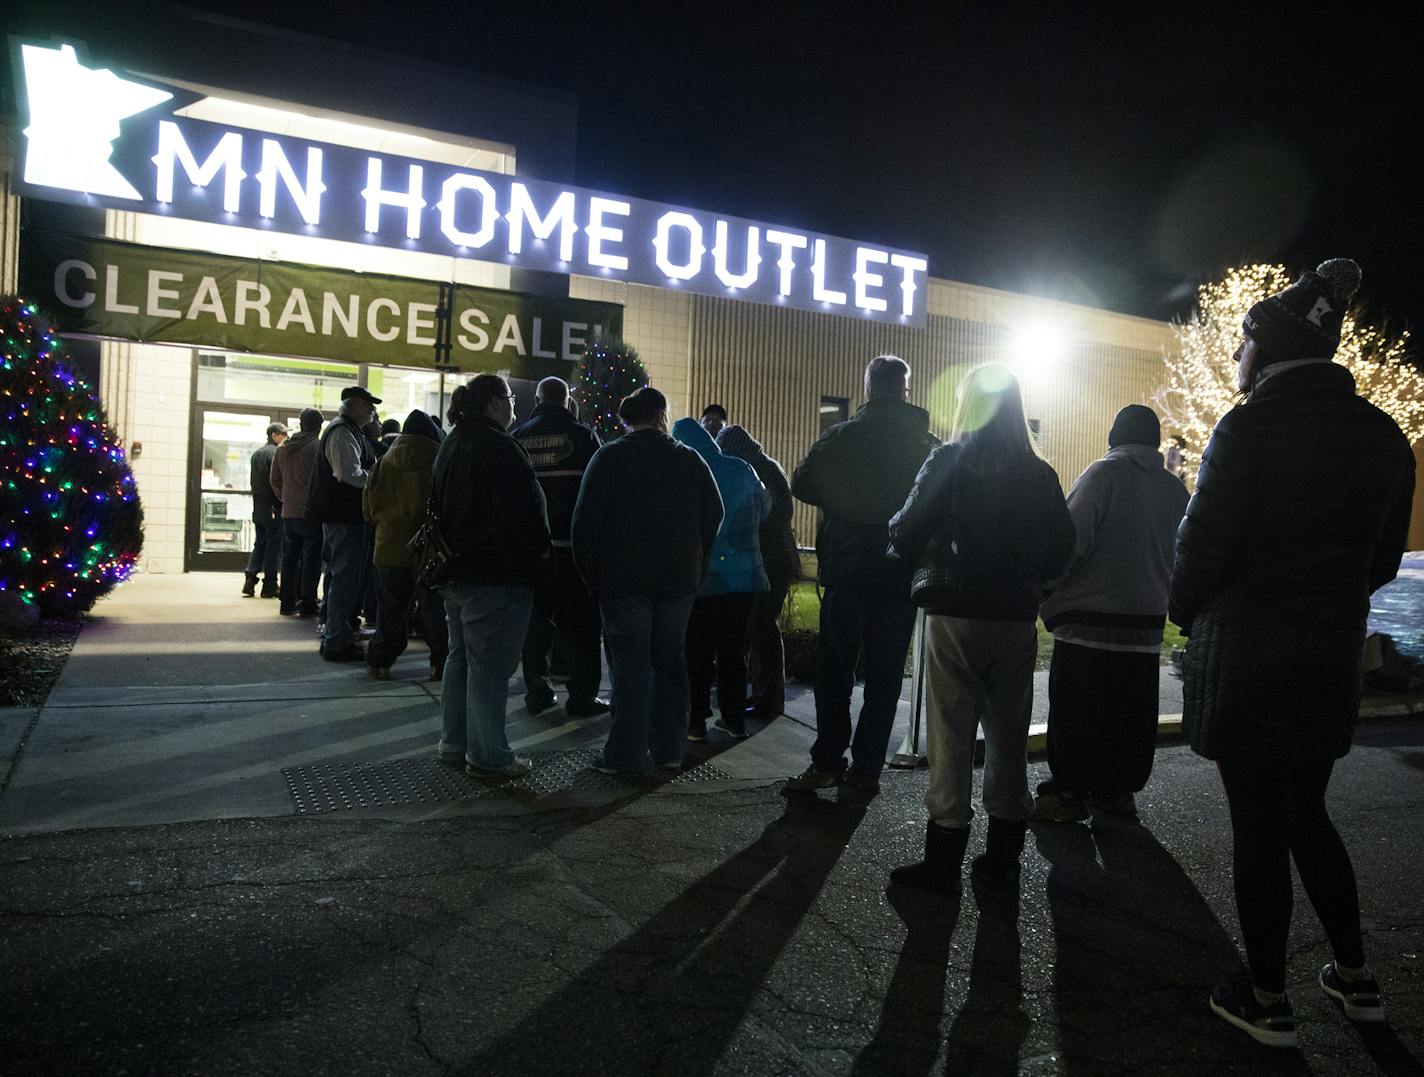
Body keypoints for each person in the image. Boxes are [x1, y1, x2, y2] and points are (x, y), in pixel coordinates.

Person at [1169, 259, 1413, 1047]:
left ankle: (1267, 997)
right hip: (1329, 656)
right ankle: (1356, 977)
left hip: (1248, 656)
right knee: (1308, 809)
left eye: (1242, 345)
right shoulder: (1383, 435)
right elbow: (1380, 561)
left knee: (1259, 825)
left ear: (1265, 351)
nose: (1236, 360)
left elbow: (1200, 550)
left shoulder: (1247, 428)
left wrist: (1182, 613)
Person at [886, 363, 1074, 894]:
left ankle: (943, 859)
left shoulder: (949, 459)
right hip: (1015, 617)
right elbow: (1063, 545)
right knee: (1009, 736)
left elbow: (905, 527)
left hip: (954, 612)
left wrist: (905, 545)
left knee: (949, 736)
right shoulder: (1039, 473)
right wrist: (1037, 586)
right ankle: (1002, 859)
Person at [785, 354, 939, 794]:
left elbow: (802, 483)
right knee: (886, 676)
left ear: (870, 388)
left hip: (848, 570)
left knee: (835, 671)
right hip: (898, 575)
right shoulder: (924, 444)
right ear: (905, 390)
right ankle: (867, 769)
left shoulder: (843, 437)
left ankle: (828, 760)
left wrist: (847, 503)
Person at [1033, 405, 1189, 822]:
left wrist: (1047, 588)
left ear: (1114, 436)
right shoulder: (1176, 492)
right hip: (1145, 626)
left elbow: (1071, 539)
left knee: (1076, 712)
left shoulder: (1102, 475)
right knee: (1130, 716)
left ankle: (1067, 793)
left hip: (1088, 621)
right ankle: (1117, 792)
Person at [571, 387, 723, 776]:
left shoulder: (608, 457)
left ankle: (625, 755)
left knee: (630, 668)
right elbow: (715, 512)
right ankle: (671, 749)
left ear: (629, 418)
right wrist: (696, 561)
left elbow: (583, 526)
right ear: (661, 415)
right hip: (677, 580)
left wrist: (594, 577)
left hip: (623, 582)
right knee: (670, 664)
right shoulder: (689, 459)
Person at [433, 374, 551, 778]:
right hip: (496, 573)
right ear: (493, 403)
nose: (514, 405)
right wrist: (540, 552)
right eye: (509, 398)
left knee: (461, 659)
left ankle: (455, 742)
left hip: (454, 570)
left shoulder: (453, 441)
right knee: (490, 667)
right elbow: (523, 512)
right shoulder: (498, 445)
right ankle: (488, 756)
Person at [512, 376, 609, 717]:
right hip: (574, 548)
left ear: (537, 401)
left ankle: (537, 692)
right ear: (567, 402)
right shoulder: (585, 437)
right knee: (582, 624)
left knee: (536, 624)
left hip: (533, 550)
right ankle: (582, 697)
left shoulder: (518, 437)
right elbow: (599, 494)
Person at [671, 418, 770, 740]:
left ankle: (696, 721)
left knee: (697, 652)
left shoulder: (685, 471)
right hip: (746, 577)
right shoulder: (741, 467)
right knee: (733, 652)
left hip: (704, 577)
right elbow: (765, 505)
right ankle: (734, 719)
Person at [717, 425, 800, 720]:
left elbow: (780, 511)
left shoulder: (763, 471)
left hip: (772, 562)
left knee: (763, 628)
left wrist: (750, 521)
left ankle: (769, 699)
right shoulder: (763, 467)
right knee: (759, 628)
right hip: (767, 560)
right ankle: (764, 694)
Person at [362, 409, 448, 681]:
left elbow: (368, 508)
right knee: (433, 609)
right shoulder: (439, 461)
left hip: (388, 545)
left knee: (390, 608)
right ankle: (440, 663)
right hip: (428, 547)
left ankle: (380, 662)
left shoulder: (383, 462)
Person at [305, 385, 379, 662]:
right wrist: (378, 480)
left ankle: (334, 634)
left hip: (341, 518)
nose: (373, 411)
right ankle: (336, 640)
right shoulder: (341, 432)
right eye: (369, 405)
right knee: (344, 581)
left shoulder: (345, 430)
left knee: (339, 578)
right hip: (345, 519)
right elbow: (348, 474)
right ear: (355, 405)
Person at [271, 408, 324, 617]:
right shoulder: (317, 447)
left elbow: (274, 480)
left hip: (289, 511)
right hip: (311, 512)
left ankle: (287, 602)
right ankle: (307, 601)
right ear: (318, 426)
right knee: (311, 558)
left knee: (289, 558)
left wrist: (286, 497)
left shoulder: (283, 447)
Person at [242, 422, 286, 598]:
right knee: (273, 546)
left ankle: (250, 578)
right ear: (274, 435)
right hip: (273, 507)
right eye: (283, 434)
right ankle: (269, 584)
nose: (286, 438)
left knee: (260, 543)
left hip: (259, 507)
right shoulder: (275, 454)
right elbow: (276, 482)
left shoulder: (257, 454)